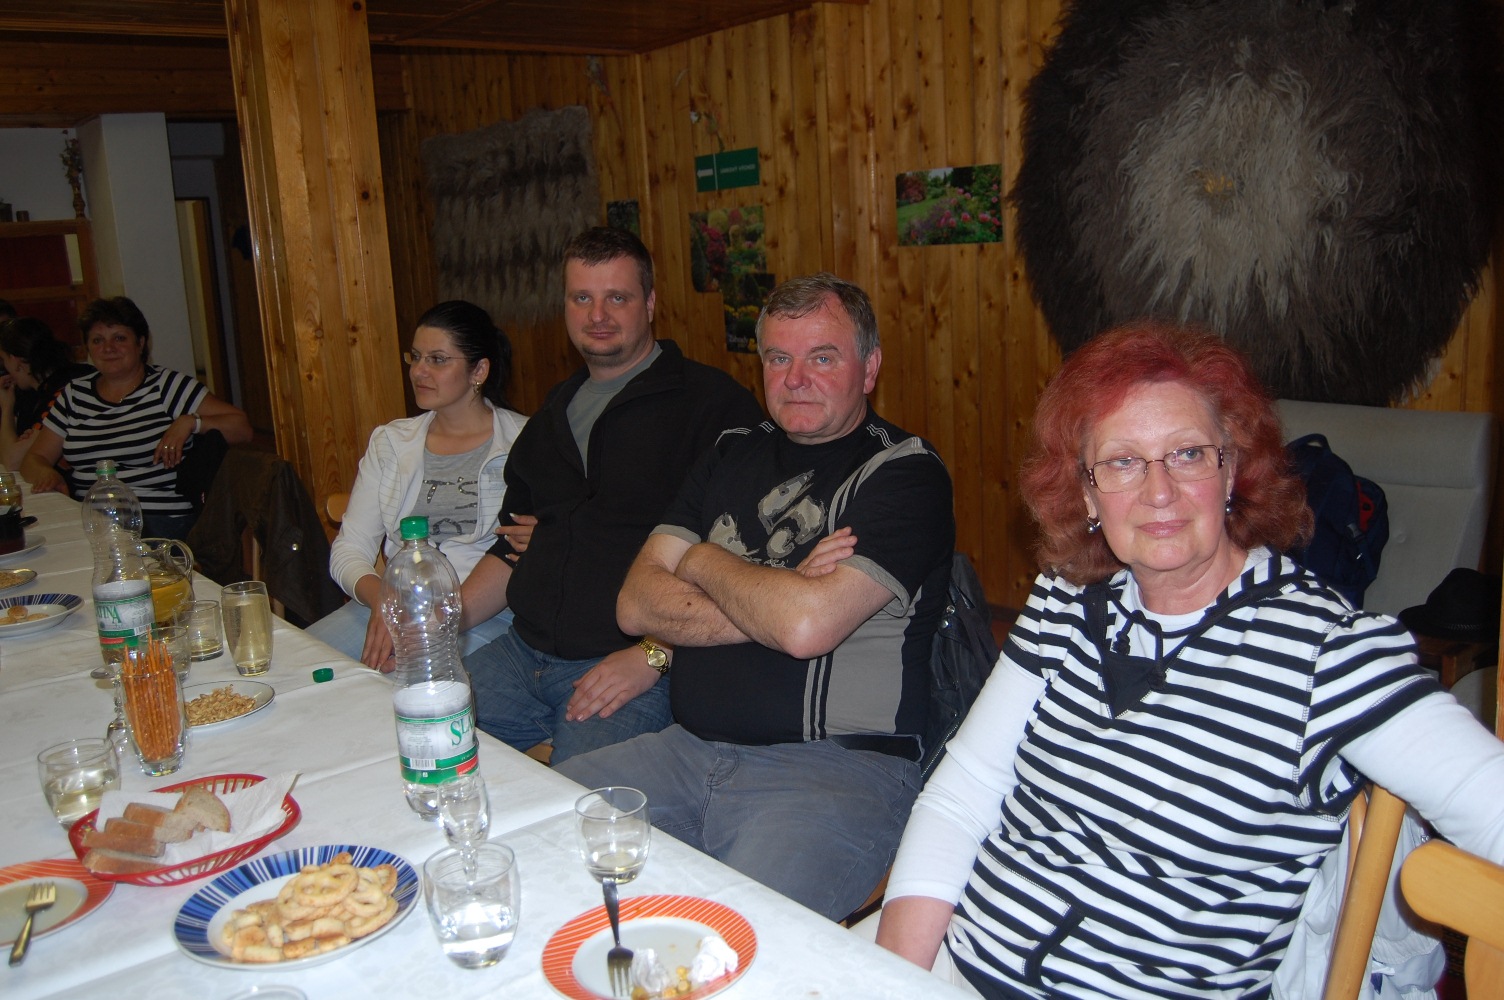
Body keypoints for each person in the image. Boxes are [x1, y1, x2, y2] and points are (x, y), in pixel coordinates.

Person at [873, 321, 1504, 999]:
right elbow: (964, 794)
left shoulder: (1326, 652)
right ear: (1087, 493)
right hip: (957, 968)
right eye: (1122, 462)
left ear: (1231, 468)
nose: (1159, 491)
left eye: (1188, 454)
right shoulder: (1069, 597)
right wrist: (887, 980)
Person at [557, 273, 956, 922]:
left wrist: (701, 560)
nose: (795, 379)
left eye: (822, 358)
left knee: (738, 940)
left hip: (831, 771)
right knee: (536, 836)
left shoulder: (903, 472)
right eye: (777, 358)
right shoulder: (731, 451)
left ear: (869, 368)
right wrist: (785, 591)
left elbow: (805, 629)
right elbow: (635, 605)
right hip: (684, 750)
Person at [460, 227, 762, 764]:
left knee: (586, 801)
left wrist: (656, 653)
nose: (597, 315)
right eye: (582, 297)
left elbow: (751, 556)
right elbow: (509, 550)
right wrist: (438, 625)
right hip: (519, 654)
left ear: (650, 304)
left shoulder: (713, 406)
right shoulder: (553, 411)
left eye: (617, 298)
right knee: (414, 747)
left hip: (631, 666)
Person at [307, 300, 527, 668]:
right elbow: (350, 549)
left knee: (399, 685)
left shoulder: (525, 441)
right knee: (300, 668)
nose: (419, 371)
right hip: (394, 603)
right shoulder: (391, 442)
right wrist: (384, 600)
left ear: (479, 370)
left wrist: (430, 625)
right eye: (415, 357)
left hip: (483, 613)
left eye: (438, 360)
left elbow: (522, 556)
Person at [19, 296, 252, 538]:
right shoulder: (74, 394)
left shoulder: (167, 386)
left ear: (140, 343)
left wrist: (191, 422)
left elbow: (242, 428)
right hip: (91, 522)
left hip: (158, 522)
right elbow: (34, 458)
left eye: (119, 338)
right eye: (97, 340)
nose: (108, 348)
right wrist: (46, 473)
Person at [0, 316, 92, 469]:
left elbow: (12, 461)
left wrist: (6, 407)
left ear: (16, 361)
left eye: (4, 360)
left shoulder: (67, 387)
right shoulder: (32, 392)